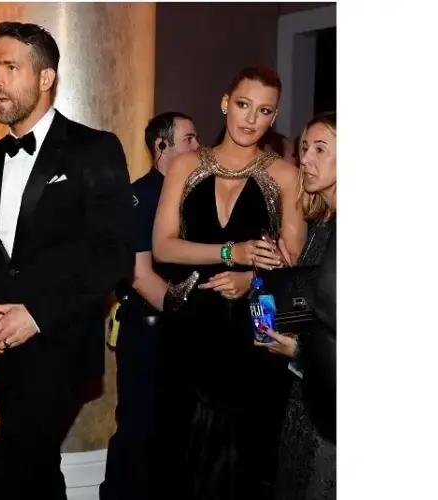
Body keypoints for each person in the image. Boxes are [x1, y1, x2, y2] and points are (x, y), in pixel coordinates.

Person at [0, 21, 133, 500]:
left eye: (11, 67)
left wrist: (36, 315)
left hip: (60, 343)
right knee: (38, 472)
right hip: (4, 350)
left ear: (45, 78)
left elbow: (115, 255)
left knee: (8, 474)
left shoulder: (94, 148)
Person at [151, 66, 306, 500]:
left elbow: (292, 264)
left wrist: (250, 278)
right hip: (189, 323)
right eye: (243, 105)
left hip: (254, 330)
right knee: (181, 451)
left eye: (263, 110)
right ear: (225, 103)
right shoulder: (184, 165)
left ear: (273, 118)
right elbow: (163, 247)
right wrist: (229, 253)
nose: (250, 118)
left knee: (243, 458)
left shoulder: (285, 176)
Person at [100, 111, 199, 500]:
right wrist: (186, 319)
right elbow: (141, 276)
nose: (198, 147)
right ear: (162, 146)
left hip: (177, 330)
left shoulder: (190, 193)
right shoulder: (140, 196)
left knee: (173, 430)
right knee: (139, 428)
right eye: (189, 139)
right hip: (149, 330)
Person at [253, 111, 337, 500]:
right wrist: (288, 277)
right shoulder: (322, 223)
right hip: (307, 396)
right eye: (305, 148)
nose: (305, 159)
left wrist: (297, 351)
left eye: (321, 149)